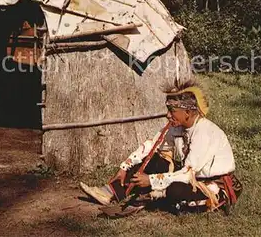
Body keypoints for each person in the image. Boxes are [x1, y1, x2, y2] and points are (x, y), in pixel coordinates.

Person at [79, 81, 242, 215]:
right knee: (156, 160)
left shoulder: (205, 133)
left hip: (210, 184)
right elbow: (151, 145)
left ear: (187, 112)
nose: (168, 115)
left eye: (172, 110)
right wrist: (125, 166)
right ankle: (112, 192)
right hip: (190, 176)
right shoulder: (176, 127)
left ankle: (158, 198)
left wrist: (150, 180)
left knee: (175, 190)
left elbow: (187, 174)